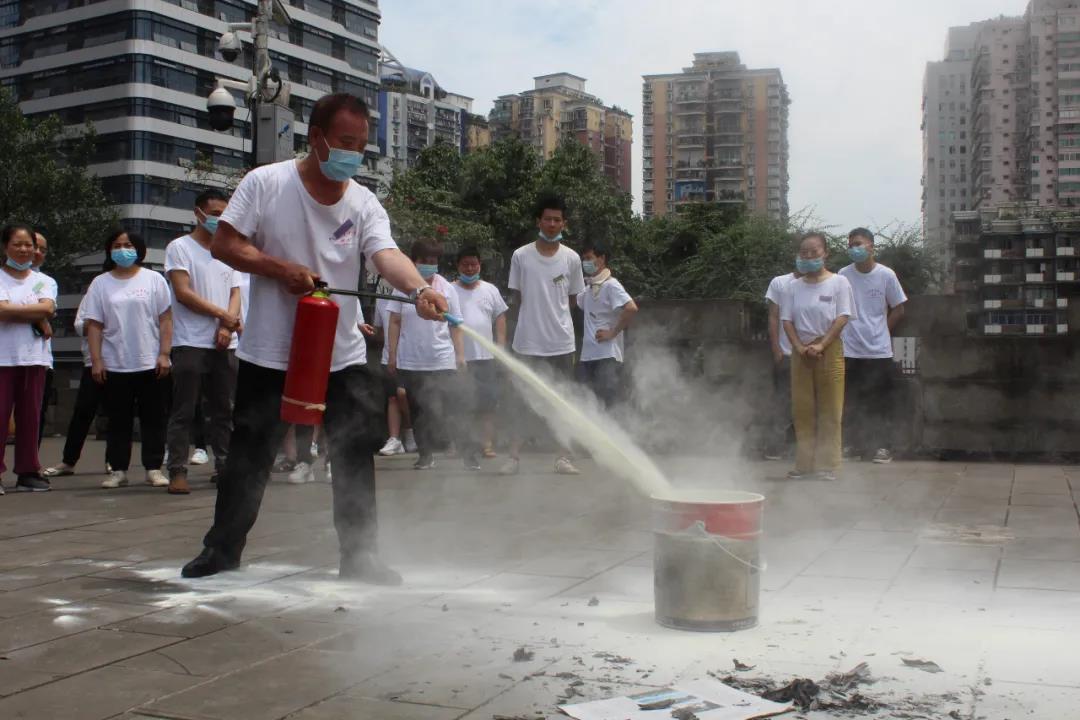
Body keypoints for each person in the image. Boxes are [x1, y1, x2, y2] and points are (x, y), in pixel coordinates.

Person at [181, 93, 450, 583]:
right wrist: (277, 267)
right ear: (316, 138)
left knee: (352, 451)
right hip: (271, 348)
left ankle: (360, 556)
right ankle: (222, 549)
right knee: (251, 451)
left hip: (341, 352)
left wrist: (419, 289)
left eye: (362, 145)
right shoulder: (266, 183)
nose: (354, 153)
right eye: (345, 142)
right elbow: (226, 243)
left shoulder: (363, 201)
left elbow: (385, 254)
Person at [500, 194, 586, 476]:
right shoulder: (521, 256)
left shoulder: (572, 258)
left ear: (564, 223)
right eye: (547, 219)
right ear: (538, 221)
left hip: (561, 342)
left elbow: (573, 300)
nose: (552, 224)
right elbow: (518, 297)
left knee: (563, 401)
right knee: (521, 401)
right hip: (527, 341)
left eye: (557, 220)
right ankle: (513, 457)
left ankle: (563, 457)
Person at [163, 189, 242, 494]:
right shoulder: (179, 248)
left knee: (224, 408)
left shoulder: (229, 250)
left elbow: (236, 292)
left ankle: (225, 466)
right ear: (198, 213)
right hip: (190, 341)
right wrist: (224, 317)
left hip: (224, 344)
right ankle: (178, 470)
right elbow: (183, 293)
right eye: (215, 213)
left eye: (225, 213)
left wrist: (227, 324)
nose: (220, 219)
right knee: (184, 409)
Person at [84, 230, 172, 489]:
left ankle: (154, 467)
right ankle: (118, 469)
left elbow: (165, 319)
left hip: (150, 361)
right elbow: (94, 324)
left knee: (154, 418)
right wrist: (96, 360)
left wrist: (165, 353)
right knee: (117, 420)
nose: (123, 249)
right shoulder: (100, 283)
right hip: (115, 362)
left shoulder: (154, 279)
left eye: (128, 245)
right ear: (109, 250)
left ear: (139, 249)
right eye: (117, 245)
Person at [780, 232, 856, 481]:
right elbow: (787, 320)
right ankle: (804, 464)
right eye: (804, 253)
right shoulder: (793, 286)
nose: (809, 257)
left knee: (831, 408)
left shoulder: (839, 283)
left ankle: (828, 465)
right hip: (800, 350)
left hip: (829, 348)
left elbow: (842, 316)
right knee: (803, 409)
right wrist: (799, 347)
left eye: (814, 252)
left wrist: (822, 344)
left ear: (825, 253)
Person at [387, 238, 468, 470]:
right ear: (415, 261)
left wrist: (460, 356)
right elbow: (394, 321)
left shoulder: (446, 289)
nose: (430, 265)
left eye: (434, 261)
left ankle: (460, 449)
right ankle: (425, 455)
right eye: (425, 261)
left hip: (441, 358)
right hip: (412, 360)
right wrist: (392, 355)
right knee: (418, 409)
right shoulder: (402, 287)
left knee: (447, 405)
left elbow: (456, 324)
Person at [839, 228, 908, 465]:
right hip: (849, 348)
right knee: (851, 399)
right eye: (850, 245)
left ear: (871, 246)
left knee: (880, 400)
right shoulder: (843, 275)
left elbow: (899, 308)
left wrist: (882, 330)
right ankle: (852, 445)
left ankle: (883, 446)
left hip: (879, 349)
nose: (853, 248)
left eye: (858, 243)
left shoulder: (886, 275)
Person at [0, 224, 57, 493]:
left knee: (30, 417)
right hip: (2, 357)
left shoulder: (44, 281)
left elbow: (48, 306)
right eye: (17, 244)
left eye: (28, 245)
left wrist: (21, 311)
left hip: (34, 358)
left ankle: (27, 471)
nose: (24, 250)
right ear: (5, 247)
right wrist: (37, 315)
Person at [452, 246, 508, 458]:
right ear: (458, 266)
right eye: (465, 264)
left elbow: (500, 316)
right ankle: (458, 445)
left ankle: (486, 444)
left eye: (473, 264)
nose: (469, 268)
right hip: (459, 358)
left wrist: (500, 345)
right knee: (460, 403)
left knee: (488, 404)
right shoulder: (449, 290)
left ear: (479, 265)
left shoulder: (490, 290)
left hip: (486, 358)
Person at [42, 296, 106, 480]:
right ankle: (68, 461)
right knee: (83, 412)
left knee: (118, 413)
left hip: (122, 362)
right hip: (92, 362)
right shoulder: (94, 294)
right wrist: (100, 322)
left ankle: (115, 462)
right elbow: (80, 327)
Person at [575, 244, 638, 408]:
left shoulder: (611, 285)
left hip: (606, 356)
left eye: (589, 258)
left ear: (601, 259)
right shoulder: (588, 288)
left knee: (608, 405)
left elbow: (631, 308)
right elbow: (573, 300)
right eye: (584, 259)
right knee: (588, 404)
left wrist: (613, 333)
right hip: (587, 356)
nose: (585, 262)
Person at [372, 292, 415, 457]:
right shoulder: (381, 299)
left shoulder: (412, 294)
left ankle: (410, 432)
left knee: (404, 394)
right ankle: (395, 439)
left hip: (411, 356)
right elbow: (380, 329)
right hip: (389, 357)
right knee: (392, 397)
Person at [763, 268, 800, 460]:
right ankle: (776, 445)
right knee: (782, 401)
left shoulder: (830, 282)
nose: (807, 258)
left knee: (810, 402)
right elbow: (773, 316)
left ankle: (805, 447)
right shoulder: (780, 282)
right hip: (786, 352)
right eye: (803, 252)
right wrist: (776, 348)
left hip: (814, 354)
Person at [32, 232, 55, 449]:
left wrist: (41, 317)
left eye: (42, 249)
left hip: (39, 359)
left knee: (34, 415)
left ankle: (30, 466)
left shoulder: (46, 282)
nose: (36, 253)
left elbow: (47, 309)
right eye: (33, 246)